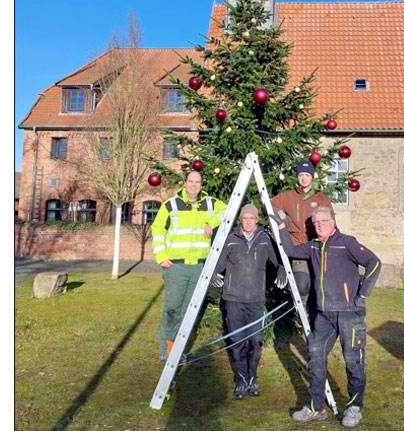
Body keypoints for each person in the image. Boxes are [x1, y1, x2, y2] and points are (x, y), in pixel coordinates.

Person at [273, 206, 381, 428]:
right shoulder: (313, 246)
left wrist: (362, 293)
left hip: (349, 313)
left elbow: (374, 262)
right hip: (324, 315)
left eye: (324, 221)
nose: (320, 225)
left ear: (333, 221)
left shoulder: (347, 242)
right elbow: (291, 251)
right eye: (316, 222)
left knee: (353, 362)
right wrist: (282, 227)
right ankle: (316, 407)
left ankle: (354, 407)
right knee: (315, 357)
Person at [151, 170, 226, 360]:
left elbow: (226, 209)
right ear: (185, 183)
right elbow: (158, 230)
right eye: (190, 181)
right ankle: (166, 348)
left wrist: (212, 221)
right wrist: (161, 256)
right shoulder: (171, 205)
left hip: (199, 267)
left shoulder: (209, 204)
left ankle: (179, 350)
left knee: (188, 311)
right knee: (173, 308)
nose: (194, 185)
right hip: (176, 266)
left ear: (202, 185)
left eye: (197, 182)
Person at [211, 203, 284, 399]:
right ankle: (241, 381)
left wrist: (282, 270)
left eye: (251, 218)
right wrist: (213, 274)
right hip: (233, 299)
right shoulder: (231, 240)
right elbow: (217, 264)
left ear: (256, 220)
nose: (248, 221)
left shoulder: (264, 239)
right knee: (237, 341)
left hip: (255, 300)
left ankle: (253, 379)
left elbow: (278, 260)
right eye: (245, 218)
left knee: (255, 341)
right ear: (240, 220)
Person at [270, 160, 333, 308]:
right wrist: (282, 216)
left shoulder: (321, 198)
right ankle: (302, 309)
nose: (303, 178)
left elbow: (331, 221)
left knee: (320, 284)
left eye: (306, 175)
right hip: (297, 248)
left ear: (312, 177)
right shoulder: (289, 196)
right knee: (302, 284)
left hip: (317, 247)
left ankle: (316, 313)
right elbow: (270, 205)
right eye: (300, 175)